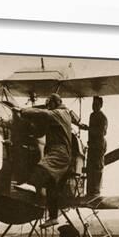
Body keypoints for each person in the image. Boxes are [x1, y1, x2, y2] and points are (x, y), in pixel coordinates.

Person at [13, 93, 77, 229]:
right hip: (58, 151)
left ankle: (31, 184)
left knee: (43, 167)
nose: (48, 107)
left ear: (55, 103)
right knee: (51, 186)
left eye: (49, 104)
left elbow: (44, 114)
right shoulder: (56, 116)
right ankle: (53, 218)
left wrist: (22, 111)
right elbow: (40, 133)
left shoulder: (61, 113)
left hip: (60, 152)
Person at [80, 96, 108, 197]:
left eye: (96, 104)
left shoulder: (103, 117)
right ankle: (89, 192)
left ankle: (95, 191)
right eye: (93, 104)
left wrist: (88, 128)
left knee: (97, 168)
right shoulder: (92, 115)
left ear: (100, 105)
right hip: (92, 146)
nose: (94, 106)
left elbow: (102, 132)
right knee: (90, 168)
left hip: (99, 146)